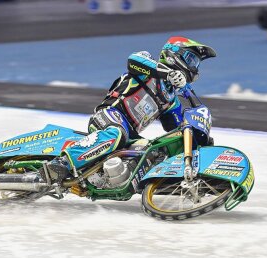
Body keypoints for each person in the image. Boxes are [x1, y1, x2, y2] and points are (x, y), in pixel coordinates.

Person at [45, 36, 216, 182]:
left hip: (130, 135)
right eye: (191, 59)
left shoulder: (172, 100)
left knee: (154, 151)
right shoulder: (148, 66)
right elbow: (133, 60)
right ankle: (62, 163)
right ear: (173, 54)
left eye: (196, 63)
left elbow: (177, 131)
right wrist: (167, 73)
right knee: (116, 133)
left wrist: (198, 140)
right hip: (110, 116)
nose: (194, 67)